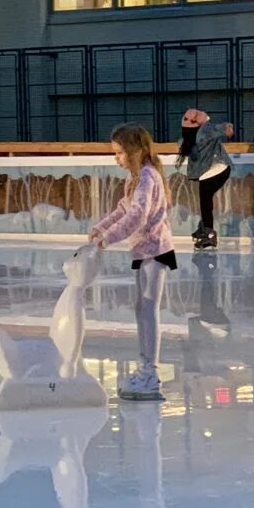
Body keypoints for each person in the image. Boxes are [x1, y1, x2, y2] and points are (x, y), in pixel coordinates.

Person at [89, 123, 176, 402]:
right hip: (143, 251)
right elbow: (123, 209)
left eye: (119, 152)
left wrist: (108, 237)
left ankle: (150, 372)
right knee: (143, 309)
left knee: (148, 310)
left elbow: (138, 216)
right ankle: (145, 367)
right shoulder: (136, 178)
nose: (116, 158)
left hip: (155, 251)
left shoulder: (148, 177)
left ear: (134, 151)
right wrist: (100, 228)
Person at [177, 108, 235, 251]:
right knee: (205, 202)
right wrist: (229, 128)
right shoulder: (205, 130)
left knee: (205, 202)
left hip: (214, 171)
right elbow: (222, 127)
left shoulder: (187, 139)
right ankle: (206, 229)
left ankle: (207, 231)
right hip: (218, 170)